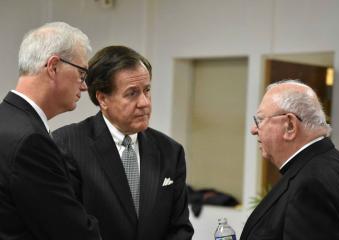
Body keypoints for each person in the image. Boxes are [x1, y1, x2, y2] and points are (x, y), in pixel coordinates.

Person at [53, 45, 194, 240]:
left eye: (147, 90)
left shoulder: (170, 151)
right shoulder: (67, 144)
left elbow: (180, 229)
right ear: (103, 99)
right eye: (132, 93)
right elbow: (67, 228)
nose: (144, 102)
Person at [0, 22, 101, 240]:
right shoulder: (31, 141)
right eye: (82, 73)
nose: (84, 87)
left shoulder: (7, 120)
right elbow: (72, 233)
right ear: (53, 67)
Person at [240, 80, 339, 240]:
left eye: (260, 120)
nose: (254, 130)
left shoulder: (311, 185)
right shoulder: (336, 164)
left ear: (290, 126)